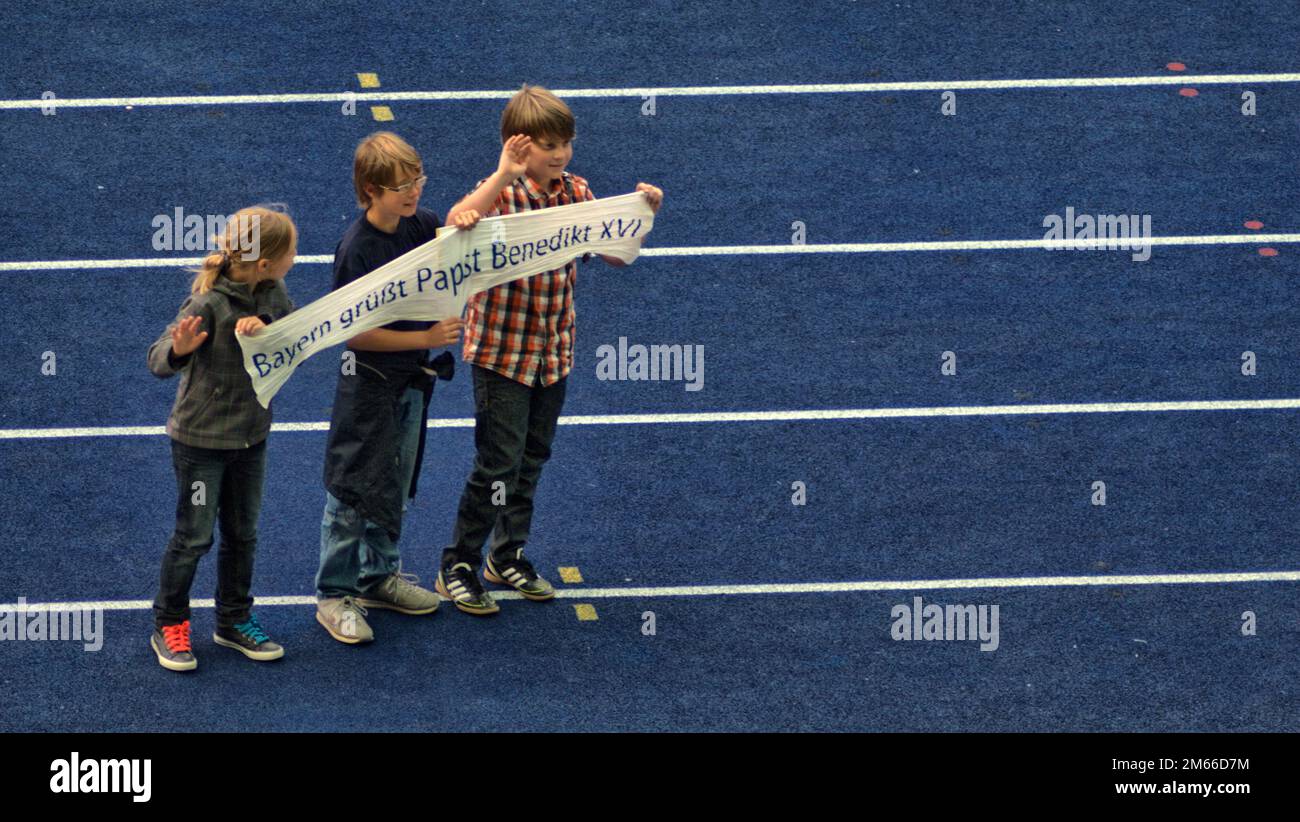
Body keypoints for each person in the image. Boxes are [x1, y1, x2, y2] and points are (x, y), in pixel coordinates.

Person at [436, 84, 663, 615]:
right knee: (497, 462)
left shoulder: (577, 193)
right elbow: (453, 224)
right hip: (502, 353)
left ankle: (507, 554)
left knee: (532, 457)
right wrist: (500, 176)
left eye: (565, 143)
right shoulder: (501, 194)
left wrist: (641, 215)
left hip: (553, 350)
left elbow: (615, 257)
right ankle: (459, 563)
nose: (559, 154)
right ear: (518, 147)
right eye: (546, 145)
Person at [315, 132, 463, 644]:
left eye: (417, 180)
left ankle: (379, 576)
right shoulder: (357, 248)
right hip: (368, 386)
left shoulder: (420, 225)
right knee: (353, 488)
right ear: (370, 189)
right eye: (401, 185)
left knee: (396, 484)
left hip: (411, 382)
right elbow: (350, 332)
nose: (414, 192)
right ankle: (334, 594)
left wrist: (505, 176)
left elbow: (461, 236)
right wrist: (424, 336)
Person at [146, 205, 298, 671]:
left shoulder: (273, 291)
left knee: (243, 533)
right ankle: (168, 622)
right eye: (292, 250)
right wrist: (180, 349)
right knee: (194, 537)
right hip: (201, 442)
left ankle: (233, 619)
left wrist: (268, 328)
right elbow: (156, 359)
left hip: (251, 438)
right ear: (265, 261)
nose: (297, 257)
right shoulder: (208, 304)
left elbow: (294, 337)